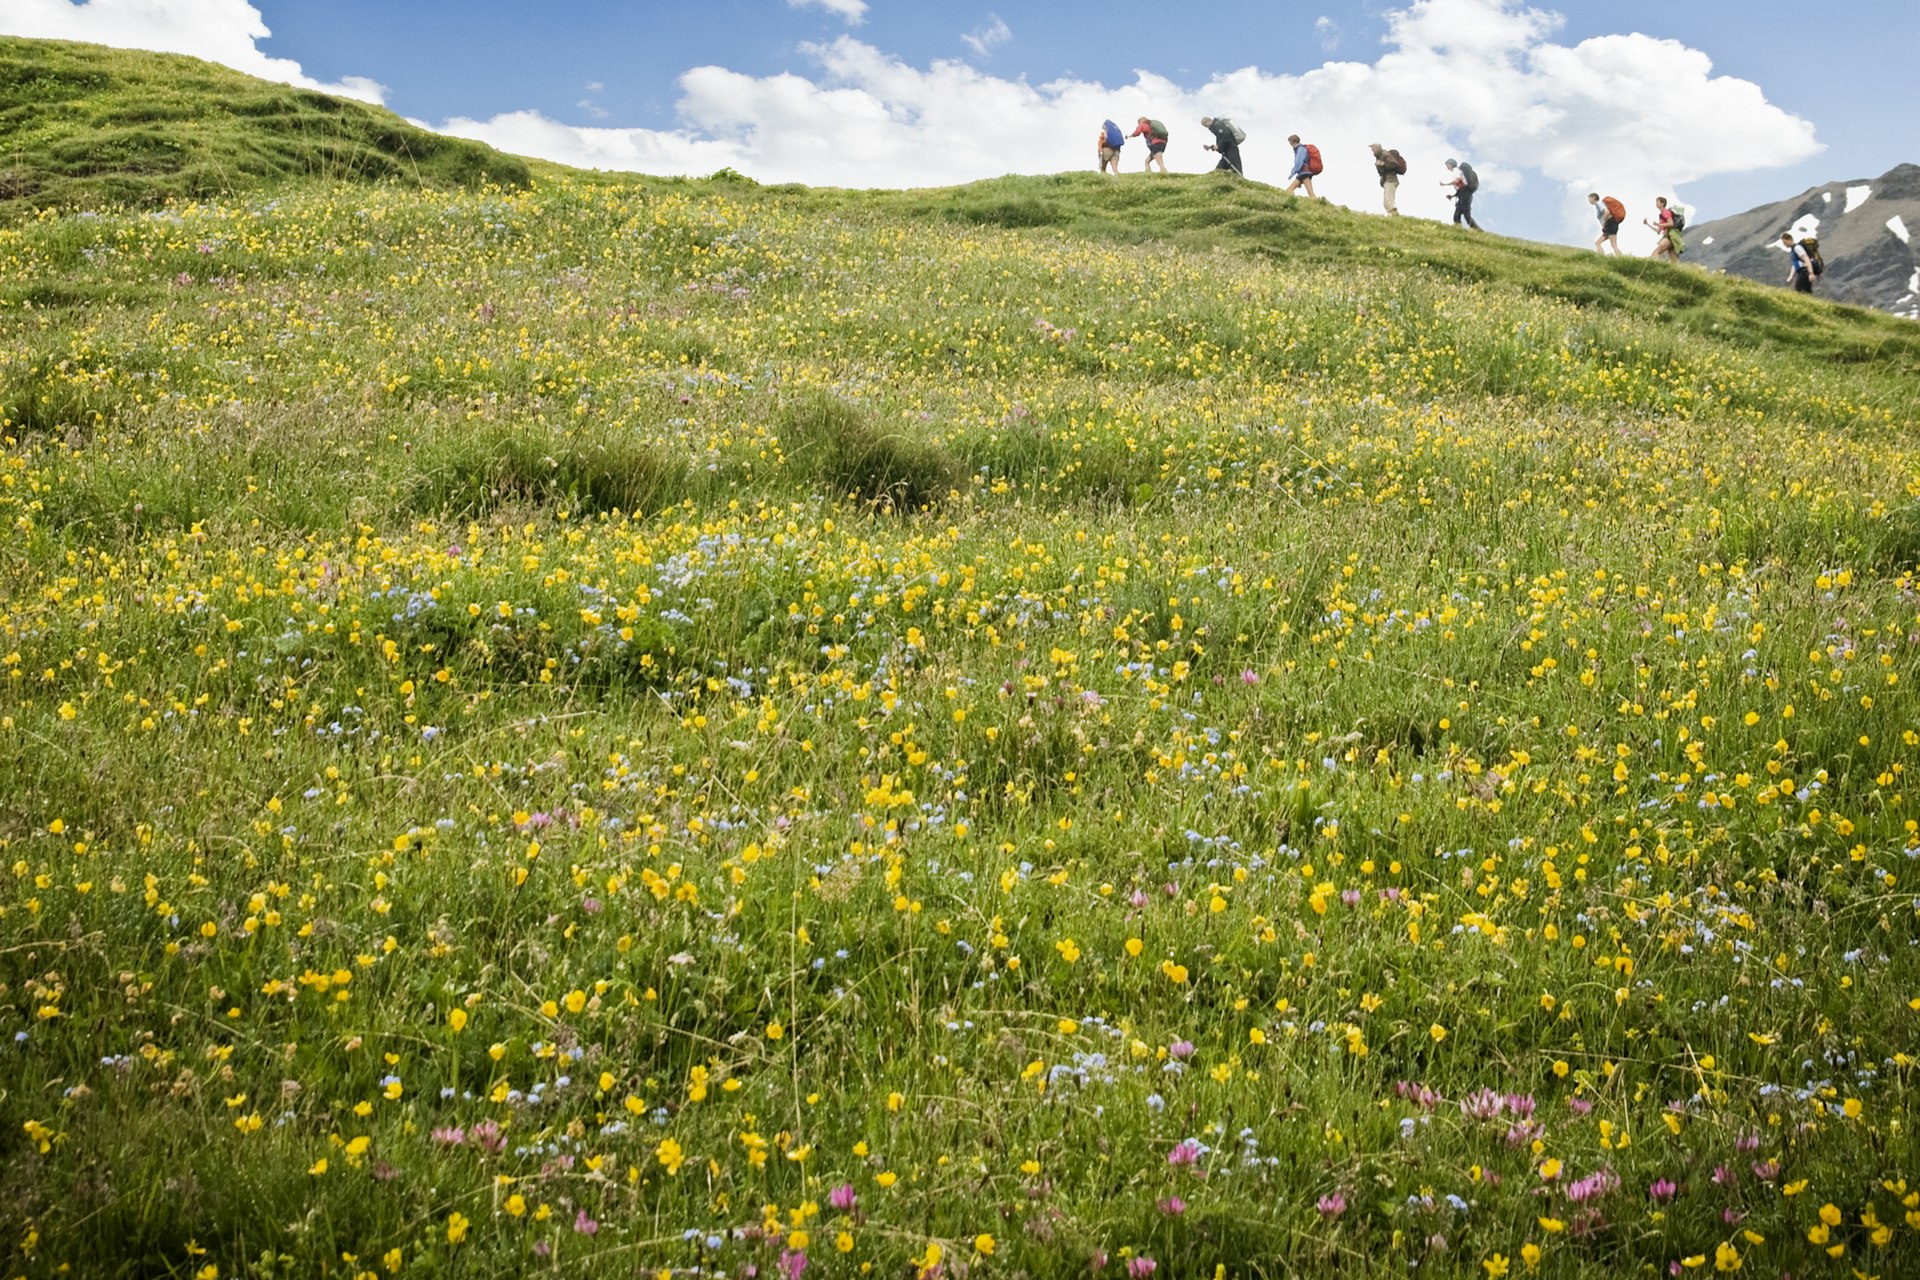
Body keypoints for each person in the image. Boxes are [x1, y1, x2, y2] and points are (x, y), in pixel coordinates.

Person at [1442, 159, 1482, 230]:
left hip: (1465, 196)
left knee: (1460, 216)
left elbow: (1457, 181)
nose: (1446, 167)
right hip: (1465, 195)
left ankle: (1476, 231)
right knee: (1463, 216)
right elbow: (1461, 186)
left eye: (1447, 165)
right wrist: (1452, 196)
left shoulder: (1456, 171)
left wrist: (1445, 184)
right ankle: (1463, 230)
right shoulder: (1458, 171)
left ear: (1449, 164)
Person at [1370, 143, 1406, 215]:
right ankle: (1391, 214)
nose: (1372, 151)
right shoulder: (1379, 156)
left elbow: (1393, 164)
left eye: (1373, 148)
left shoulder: (1385, 154)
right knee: (1386, 200)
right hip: (1387, 180)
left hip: (1391, 180)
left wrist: (1383, 164)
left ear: (1377, 148)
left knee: (1388, 198)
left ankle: (1393, 213)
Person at [1646, 196, 1682, 263]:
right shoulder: (1661, 215)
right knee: (1674, 259)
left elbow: (1671, 223)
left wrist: (1659, 224)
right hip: (1669, 236)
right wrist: (1647, 224)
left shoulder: (1665, 212)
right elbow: (1658, 231)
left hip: (1670, 236)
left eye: (1657, 202)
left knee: (1656, 252)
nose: (1656, 203)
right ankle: (1678, 272)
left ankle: (1655, 268)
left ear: (1662, 203)